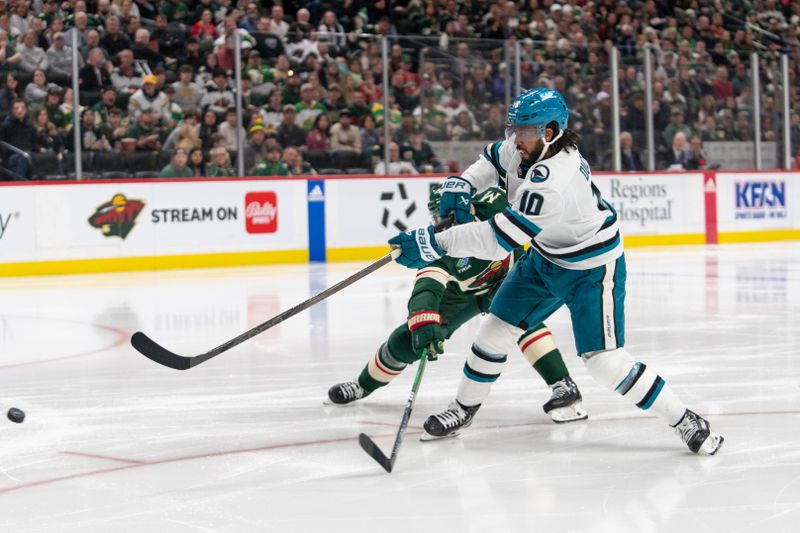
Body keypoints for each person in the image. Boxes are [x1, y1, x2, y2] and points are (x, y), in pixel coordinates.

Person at [388, 88, 724, 455]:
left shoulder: (554, 178)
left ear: (550, 131)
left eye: (524, 132)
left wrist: (435, 243)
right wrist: (462, 183)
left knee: (605, 363)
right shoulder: (525, 146)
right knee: (493, 333)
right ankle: (463, 409)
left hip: (592, 269)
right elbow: (490, 159)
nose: (515, 140)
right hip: (546, 259)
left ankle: (685, 419)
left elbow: (500, 238)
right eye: (512, 130)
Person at [328, 186, 588, 426]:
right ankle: (362, 384)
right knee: (407, 339)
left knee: (522, 321)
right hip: (462, 295)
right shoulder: (440, 248)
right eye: (437, 216)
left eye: (449, 215)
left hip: (509, 277)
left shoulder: (494, 206)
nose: (443, 223)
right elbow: (427, 287)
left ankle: (563, 385)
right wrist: (424, 319)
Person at [0, 99, 47, 179]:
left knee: (43, 156)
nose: (20, 110)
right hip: (11, 156)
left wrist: (40, 148)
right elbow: (2, 144)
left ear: (26, 110)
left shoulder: (30, 126)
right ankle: (20, 183)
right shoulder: (5, 126)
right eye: (17, 108)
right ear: (12, 110)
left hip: (29, 154)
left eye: (22, 108)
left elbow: (33, 143)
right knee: (24, 157)